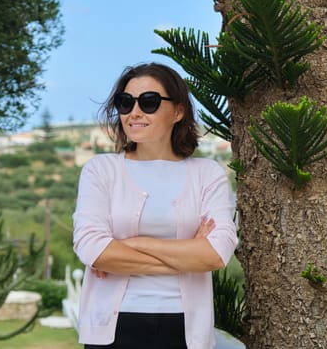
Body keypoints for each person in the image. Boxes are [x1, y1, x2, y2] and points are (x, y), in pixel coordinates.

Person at [72, 62, 238, 349]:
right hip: (113, 329)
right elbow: (91, 247)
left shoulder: (207, 174)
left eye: (148, 102)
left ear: (178, 111)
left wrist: (131, 244)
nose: (134, 112)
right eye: (125, 103)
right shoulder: (101, 170)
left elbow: (215, 253)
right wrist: (187, 258)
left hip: (186, 328)